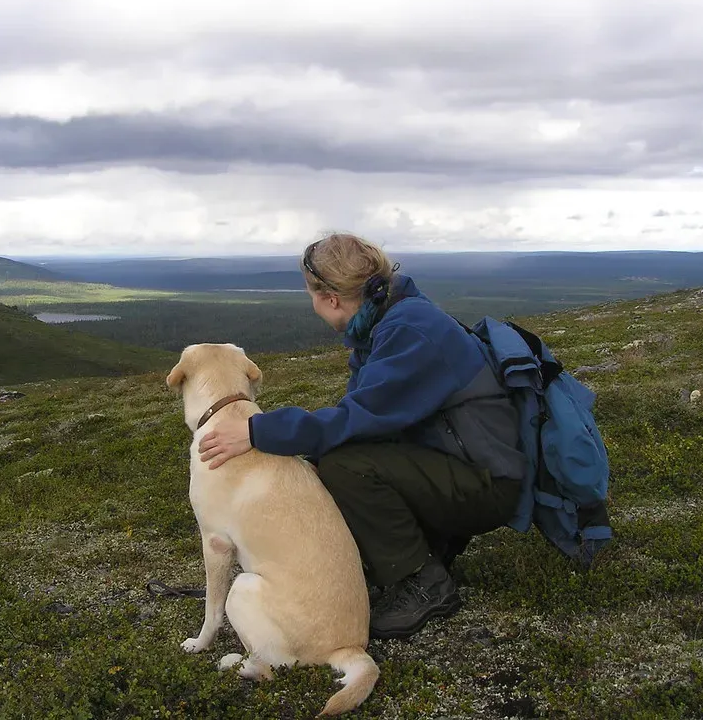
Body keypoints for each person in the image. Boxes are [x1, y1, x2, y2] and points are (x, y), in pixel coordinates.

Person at [198, 232, 526, 641]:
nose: (313, 305)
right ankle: (418, 553)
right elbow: (360, 423)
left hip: (488, 484)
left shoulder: (411, 331)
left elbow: (355, 419)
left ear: (331, 299)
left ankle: (425, 581)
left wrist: (257, 430)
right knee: (335, 460)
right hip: (458, 466)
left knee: (347, 467)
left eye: (312, 295)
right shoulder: (382, 324)